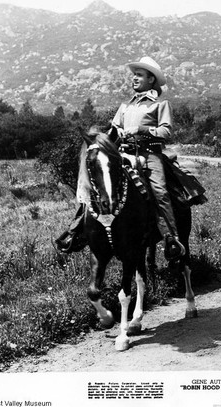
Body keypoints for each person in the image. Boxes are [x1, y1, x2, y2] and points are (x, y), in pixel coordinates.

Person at [55, 56, 186, 260]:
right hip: (124, 154)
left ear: (151, 80)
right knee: (97, 185)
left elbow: (166, 132)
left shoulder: (160, 104)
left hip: (149, 155)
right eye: (134, 74)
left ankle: (171, 239)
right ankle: (76, 230)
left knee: (160, 191)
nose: (134, 78)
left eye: (139, 75)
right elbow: (114, 131)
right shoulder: (125, 106)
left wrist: (142, 129)